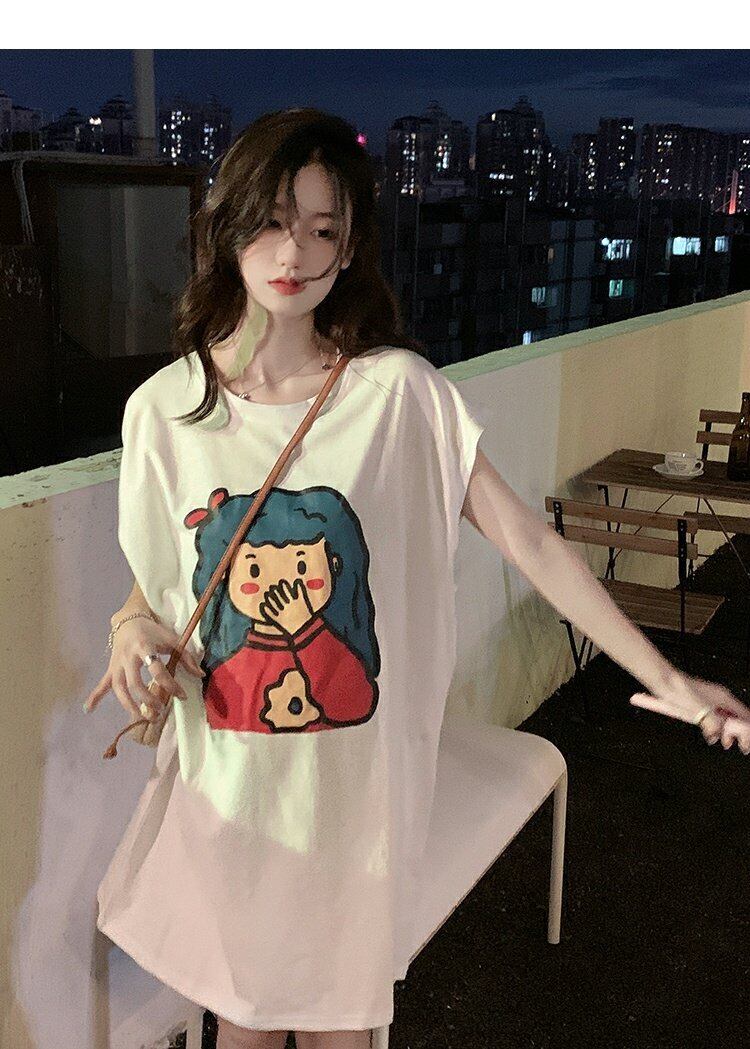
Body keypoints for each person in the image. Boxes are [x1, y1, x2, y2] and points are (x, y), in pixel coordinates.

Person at [84, 107, 750, 1049]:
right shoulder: (164, 411)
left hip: (353, 802)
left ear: (352, 245)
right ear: (227, 225)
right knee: (242, 1023)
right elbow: (163, 580)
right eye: (272, 221)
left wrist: (667, 674)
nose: (295, 253)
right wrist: (130, 629)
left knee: (343, 1028)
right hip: (231, 794)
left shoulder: (396, 395)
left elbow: (533, 544)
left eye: (324, 229)